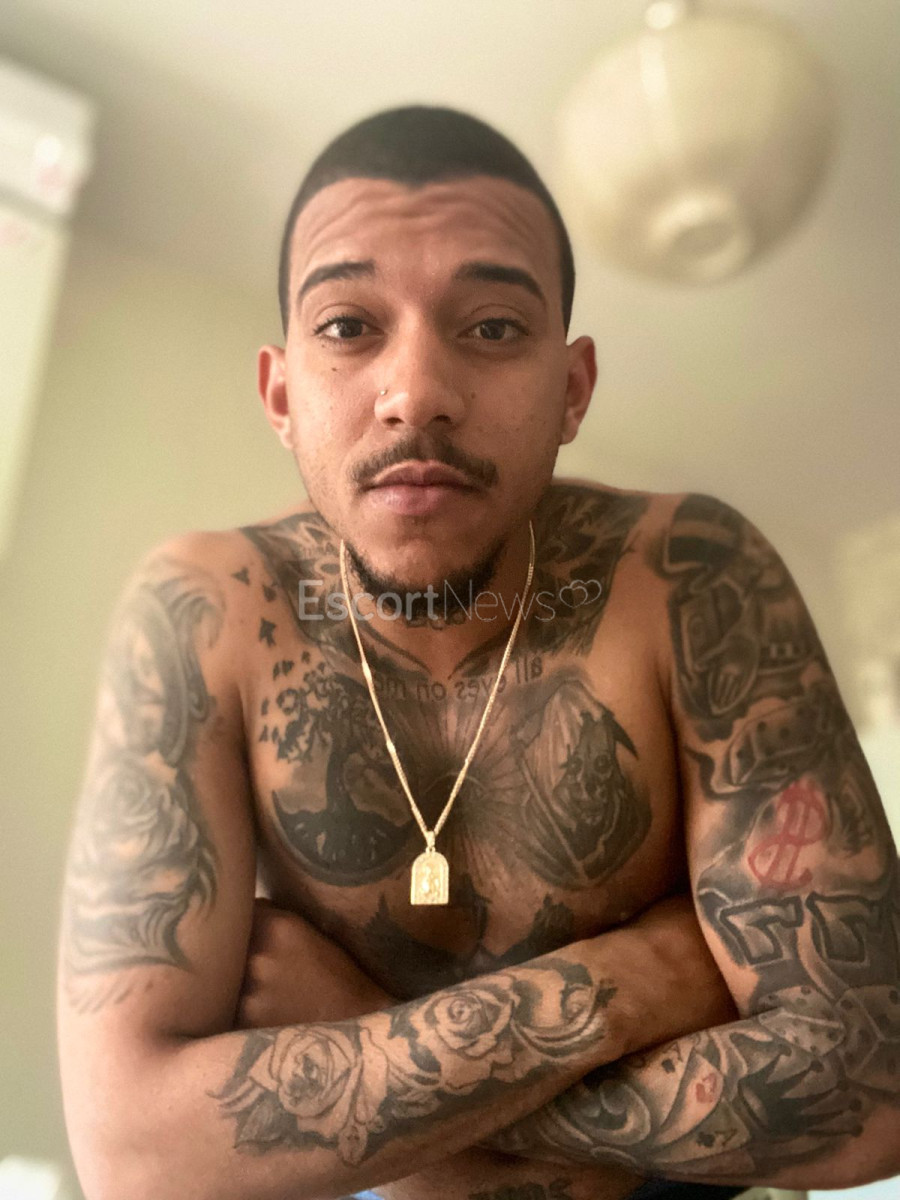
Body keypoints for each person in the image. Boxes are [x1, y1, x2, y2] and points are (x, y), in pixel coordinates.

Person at [56, 105, 900, 1200]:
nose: (417, 394)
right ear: (282, 394)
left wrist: (365, 1033)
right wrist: (638, 980)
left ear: (572, 389)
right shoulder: (205, 612)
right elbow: (136, 1152)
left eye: (494, 327)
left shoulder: (692, 575)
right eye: (349, 326)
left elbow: (866, 1092)